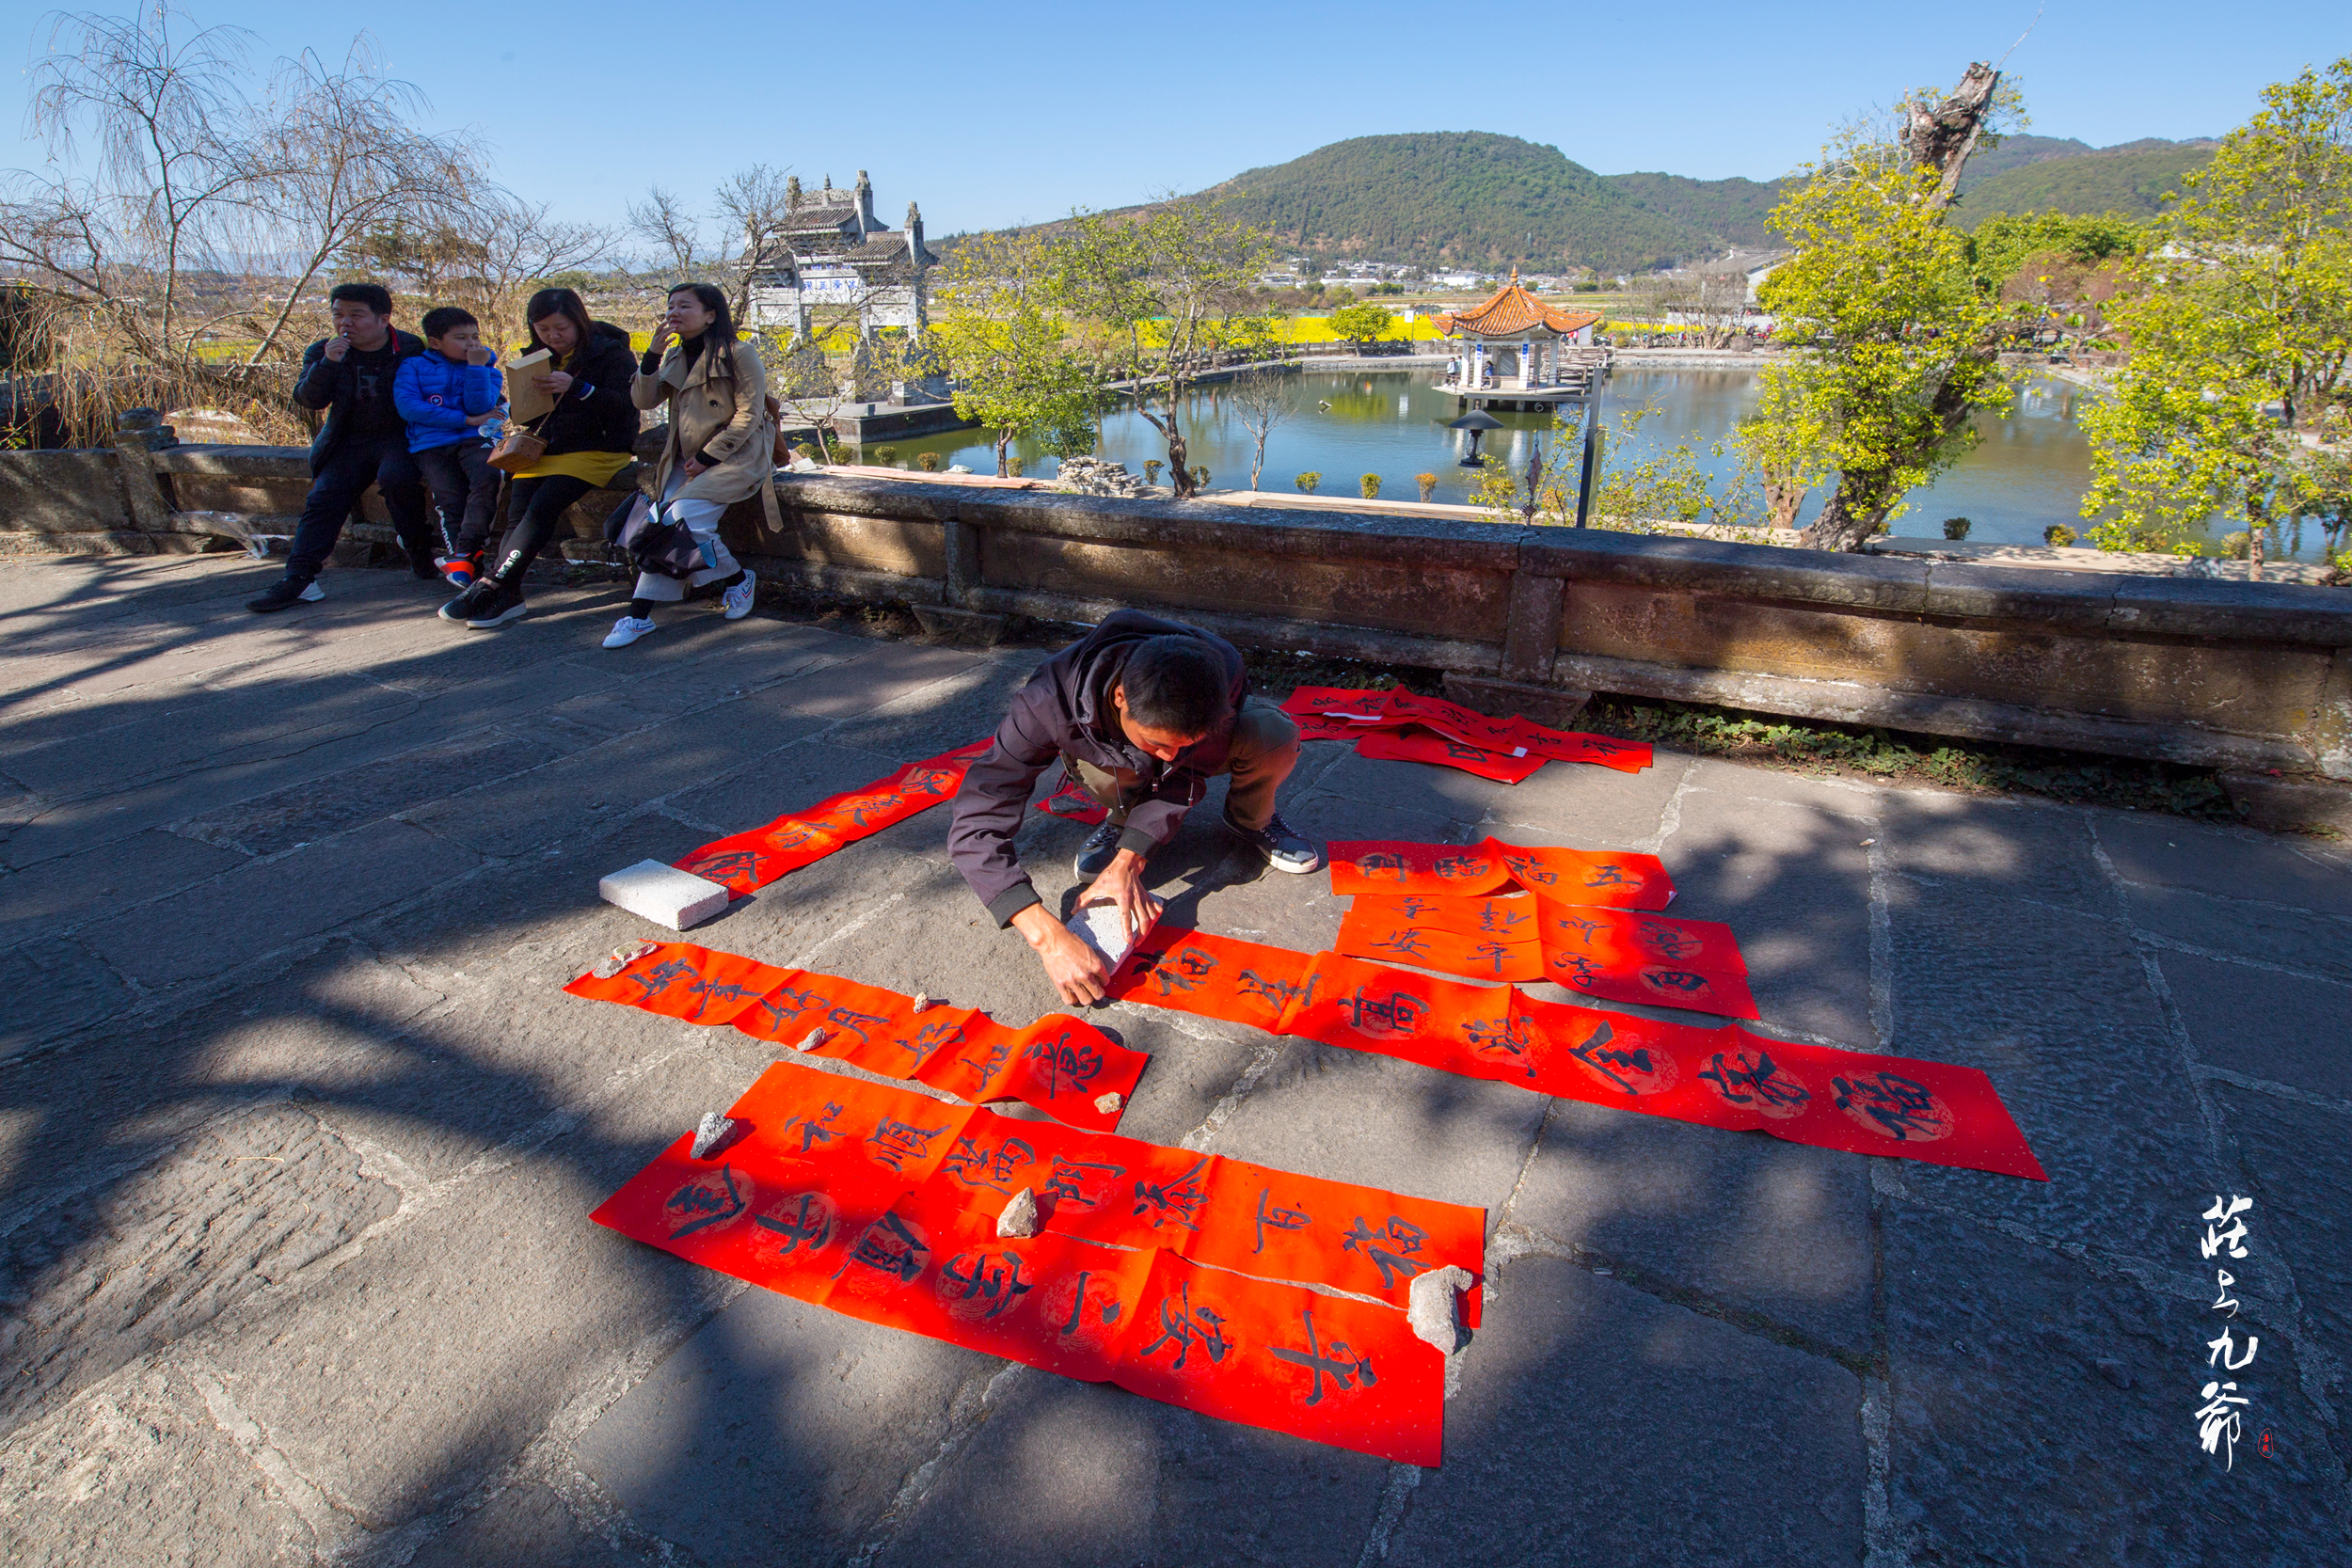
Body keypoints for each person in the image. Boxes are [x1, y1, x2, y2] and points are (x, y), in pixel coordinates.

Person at [947, 611, 1322, 1007]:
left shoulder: (1221, 670)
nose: (1168, 755)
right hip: (1103, 760)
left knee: (1273, 734)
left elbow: (1186, 773)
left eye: (1183, 742)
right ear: (1120, 697)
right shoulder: (1046, 701)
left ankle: (1250, 820)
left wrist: (1130, 860)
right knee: (1119, 769)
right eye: (1156, 741)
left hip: (1192, 733)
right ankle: (1120, 818)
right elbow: (976, 822)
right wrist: (1047, 935)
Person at [439, 287, 641, 630]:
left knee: (541, 508)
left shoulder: (611, 353)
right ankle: (508, 594)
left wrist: (579, 389)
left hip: (597, 449)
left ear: (578, 320)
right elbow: (524, 414)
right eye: (543, 329)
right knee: (518, 512)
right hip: (545, 447)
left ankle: (489, 584)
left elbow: (627, 405)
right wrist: (526, 400)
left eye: (560, 328)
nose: (553, 336)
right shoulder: (536, 355)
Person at [247, 283, 437, 612]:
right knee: (324, 496)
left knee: (398, 479)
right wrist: (329, 363)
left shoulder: (408, 347)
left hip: (400, 436)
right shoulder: (323, 350)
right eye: (338, 314)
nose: (345, 323)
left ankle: (419, 552)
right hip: (348, 439)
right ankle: (300, 578)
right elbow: (309, 400)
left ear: (383, 320)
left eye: (356, 315)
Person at [602, 282, 771, 648]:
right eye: (670, 307)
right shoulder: (676, 356)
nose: (673, 313)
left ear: (711, 315)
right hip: (683, 456)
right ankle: (735, 580)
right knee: (666, 527)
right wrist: (650, 356)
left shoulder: (739, 353)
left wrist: (710, 456)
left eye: (684, 306)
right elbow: (644, 401)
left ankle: (637, 615)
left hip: (735, 454)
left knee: (683, 519)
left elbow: (750, 413)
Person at [393, 306, 503, 592]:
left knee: (488, 479)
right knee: (450, 499)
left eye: (475, 336)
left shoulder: (488, 369)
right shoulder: (413, 366)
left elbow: (481, 406)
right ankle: (468, 571)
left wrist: (477, 368)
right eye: (461, 337)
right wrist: (464, 419)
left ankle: (464, 554)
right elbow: (409, 407)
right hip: (431, 443)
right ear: (436, 342)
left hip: (476, 438)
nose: (472, 343)